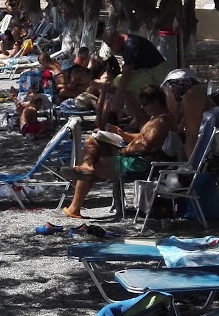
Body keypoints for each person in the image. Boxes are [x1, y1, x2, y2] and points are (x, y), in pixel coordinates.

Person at [55, 87, 174, 220]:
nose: (142, 107)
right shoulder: (155, 118)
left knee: (98, 163)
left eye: (145, 104)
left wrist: (123, 151)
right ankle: (87, 166)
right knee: (92, 140)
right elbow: (141, 138)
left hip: (142, 163)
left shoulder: (162, 121)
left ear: (156, 102)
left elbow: (145, 146)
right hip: (133, 155)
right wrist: (121, 134)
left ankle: (76, 203)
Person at [162, 67, 214, 158]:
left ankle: (172, 160)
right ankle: (191, 167)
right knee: (191, 136)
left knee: (171, 128)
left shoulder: (165, 80)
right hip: (190, 84)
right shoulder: (192, 77)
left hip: (169, 85)